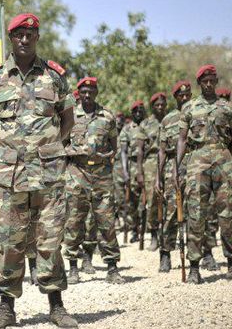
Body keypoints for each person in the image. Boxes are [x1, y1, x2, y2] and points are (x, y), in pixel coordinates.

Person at [0, 13, 77, 329]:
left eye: (30, 34)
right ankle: (6, 309)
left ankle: (57, 307)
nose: (24, 39)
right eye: (19, 34)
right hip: (10, 175)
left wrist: (46, 149)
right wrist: (8, 154)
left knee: (50, 241)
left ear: (37, 38)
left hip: (48, 174)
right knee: (10, 242)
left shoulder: (55, 76)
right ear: (11, 38)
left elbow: (68, 120)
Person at [174, 64, 232, 283]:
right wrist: (179, 167)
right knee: (196, 213)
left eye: (212, 81)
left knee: (227, 213)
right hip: (197, 161)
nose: (208, 84)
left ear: (216, 82)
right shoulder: (189, 108)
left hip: (223, 161)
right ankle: (195, 267)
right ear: (199, 83)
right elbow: (182, 139)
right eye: (204, 81)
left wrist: (226, 154)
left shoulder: (227, 108)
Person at [63, 77, 122, 285]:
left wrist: (106, 157)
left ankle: (112, 267)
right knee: (73, 221)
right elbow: (61, 145)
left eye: (91, 91)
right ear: (79, 93)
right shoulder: (70, 115)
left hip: (101, 175)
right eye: (84, 91)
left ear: (96, 92)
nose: (87, 95)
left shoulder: (107, 116)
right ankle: (72, 267)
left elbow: (115, 146)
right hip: (76, 173)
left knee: (106, 221)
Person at [154, 80, 191, 272]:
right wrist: (158, 177)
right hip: (171, 168)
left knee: (197, 212)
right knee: (170, 214)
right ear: (175, 97)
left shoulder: (198, 114)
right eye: (180, 95)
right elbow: (161, 151)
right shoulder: (167, 120)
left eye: (187, 94)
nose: (184, 98)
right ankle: (165, 253)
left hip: (194, 165)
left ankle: (203, 253)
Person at [136, 92, 167, 251]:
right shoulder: (145, 124)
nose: (160, 107)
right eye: (157, 105)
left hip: (168, 162)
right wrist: (139, 172)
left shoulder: (170, 121)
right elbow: (140, 150)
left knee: (169, 200)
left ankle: (167, 235)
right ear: (152, 106)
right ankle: (154, 235)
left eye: (163, 104)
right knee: (153, 201)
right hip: (150, 164)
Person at [120, 100, 146, 243]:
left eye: (140, 110)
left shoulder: (150, 125)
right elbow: (123, 151)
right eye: (135, 111)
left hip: (149, 164)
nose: (138, 113)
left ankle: (150, 229)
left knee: (148, 199)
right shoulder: (127, 129)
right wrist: (125, 171)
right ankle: (135, 229)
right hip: (133, 164)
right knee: (133, 201)